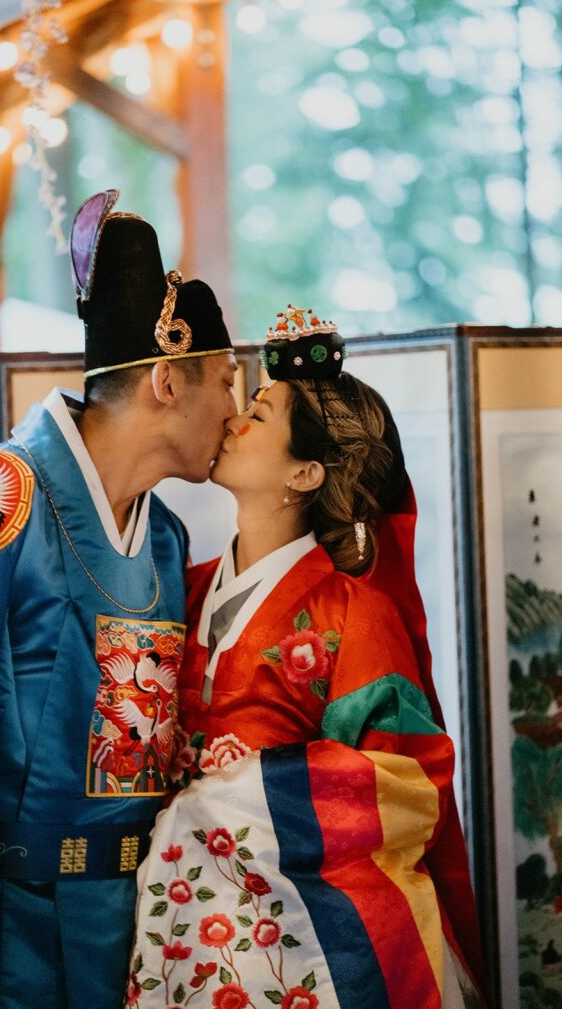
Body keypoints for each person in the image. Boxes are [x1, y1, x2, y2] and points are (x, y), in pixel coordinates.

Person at [0, 189, 237, 1009]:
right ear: (168, 378)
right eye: (226, 382)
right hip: (0, 918)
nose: (234, 411)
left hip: (132, 914)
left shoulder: (163, 533)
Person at [125, 308, 487, 1009]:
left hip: (301, 940)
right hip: (184, 920)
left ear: (304, 471)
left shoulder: (354, 614)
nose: (231, 421)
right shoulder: (182, 587)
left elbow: (406, 781)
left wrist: (227, 798)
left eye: (256, 415)